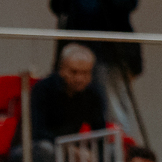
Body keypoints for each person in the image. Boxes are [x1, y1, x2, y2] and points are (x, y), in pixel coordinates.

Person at [50, 1, 148, 145]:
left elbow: (128, 4)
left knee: (114, 110)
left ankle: (119, 151)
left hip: (111, 51)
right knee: (69, 105)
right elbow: (57, 6)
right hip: (76, 44)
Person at [9, 44, 106, 162]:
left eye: (85, 73)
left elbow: (100, 132)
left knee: (111, 151)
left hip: (67, 148)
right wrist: (68, 148)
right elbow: (37, 132)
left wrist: (91, 155)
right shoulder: (42, 89)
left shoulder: (93, 94)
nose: (79, 78)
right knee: (45, 149)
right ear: (62, 69)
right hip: (31, 148)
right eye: (74, 72)